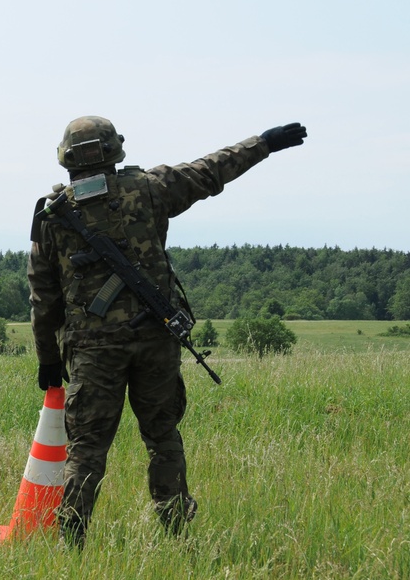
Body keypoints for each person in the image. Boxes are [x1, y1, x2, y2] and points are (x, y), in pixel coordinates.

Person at [26, 115, 307, 547]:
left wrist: (47, 356)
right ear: (114, 151)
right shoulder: (150, 189)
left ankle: (72, 540)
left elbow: (43, 297)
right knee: (162, 437)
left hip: (93, 350)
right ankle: (176, 533)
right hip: (155, 339)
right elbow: (211, 169)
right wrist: (264, 143)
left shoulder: (52, 216)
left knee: (86, 448)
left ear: (67, 160)